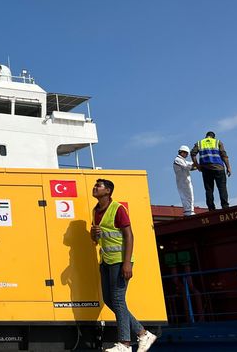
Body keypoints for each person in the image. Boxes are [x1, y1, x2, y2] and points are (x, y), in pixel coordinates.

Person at [90, 179, 157, 352]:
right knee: (109, 300)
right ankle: (143, 333)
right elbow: (97, 239)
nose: (95, 188)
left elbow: (129, 236)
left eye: (99, 186)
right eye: (95, 185)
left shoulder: (118, 208)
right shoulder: (96, 211)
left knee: (118, 300)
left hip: (120, 261)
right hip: (106, 261)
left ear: (108, 191)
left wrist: (127, 263)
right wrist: (93, 234)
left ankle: (125, 344)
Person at [191, 131, 231, 211]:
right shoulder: (217, 142)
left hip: (206, 169)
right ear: (213, 137)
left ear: (206, 136)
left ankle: (211, 208)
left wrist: (197, 165)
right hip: (218, 168)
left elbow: (192, 154)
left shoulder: (200, 143)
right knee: (222, 188)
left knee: (209, 189)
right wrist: (228, 167)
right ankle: (225, 206)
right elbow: (224, 155)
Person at [173, 145, 196, 216]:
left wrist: (196, 164)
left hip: (185, 181)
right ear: (182, 152)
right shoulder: (178, 160)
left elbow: (190, 164)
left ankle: (189, 211)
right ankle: (189, 211)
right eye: (185, 153)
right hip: (183, 182)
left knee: (189, 195)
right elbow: (187, 167)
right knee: (187, 196)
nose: (186, 155)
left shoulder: (182, 160)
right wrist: (197, 166)